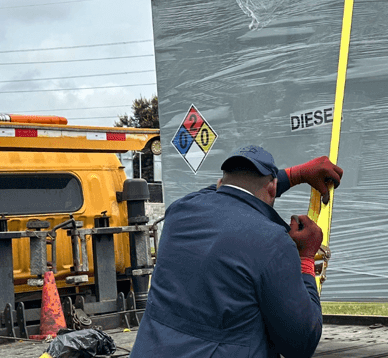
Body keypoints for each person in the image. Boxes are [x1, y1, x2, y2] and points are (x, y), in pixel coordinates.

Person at [134, 146, 344, 358]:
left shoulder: (180, 210)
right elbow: (301, 343)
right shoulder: (273, 242)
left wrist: (296, 175)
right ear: (272, 188)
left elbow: (225, 192)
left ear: (220, 183)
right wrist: (305, 259)